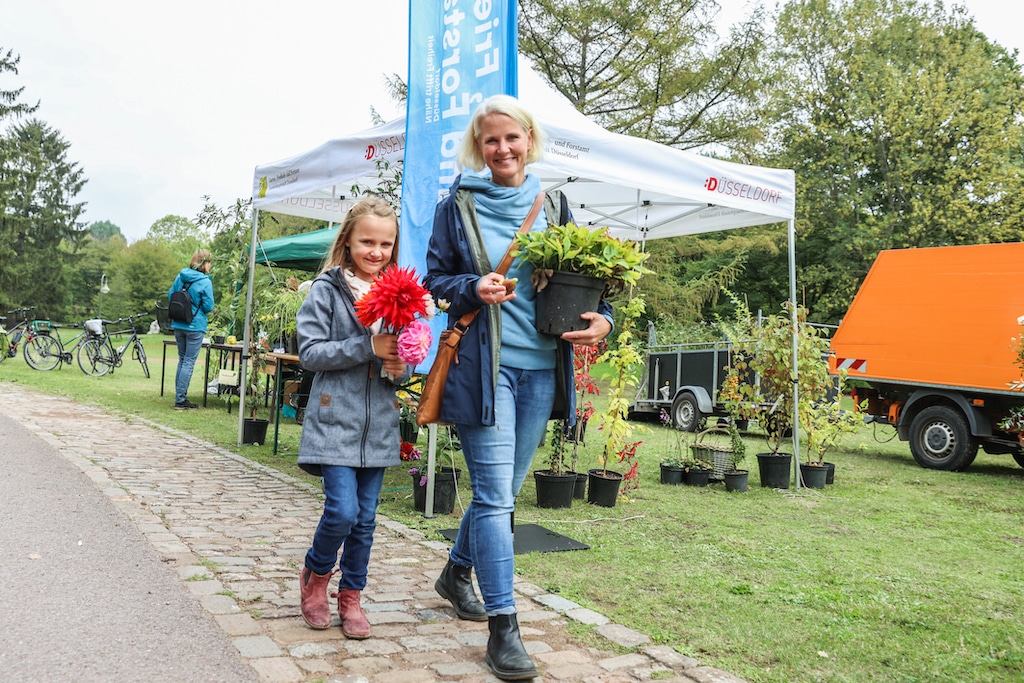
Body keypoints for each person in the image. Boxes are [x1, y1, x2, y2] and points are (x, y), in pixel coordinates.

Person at [424, 95, 613, 680]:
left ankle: (457, 572)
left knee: (501, 489)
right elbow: (436, 278)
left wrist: (605, 318)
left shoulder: (553, 206)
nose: (502, 149)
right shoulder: (456, 206)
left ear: (529, 139)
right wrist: (471, 287)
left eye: (512, 138)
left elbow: (589, 278)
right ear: (478, 148)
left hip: (541, 370)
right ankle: (504, 628)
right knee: (498, 499)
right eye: (490, 141)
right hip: (485, 368)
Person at [295, 197, 411, 639]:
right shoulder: (326, 290)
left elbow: (406, 356)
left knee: (365, 520)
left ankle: (352, 596)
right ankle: (316, 574)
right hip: (334, 420)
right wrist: (368, 347)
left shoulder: (401, 294)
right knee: (342, 512)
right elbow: (310, 353)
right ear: (348, 240)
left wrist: (402, 367)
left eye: (385, 243)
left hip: (378, 423)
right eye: (367, 241)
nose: (376, 252)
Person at [167, 250, 215, 410]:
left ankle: (180, 397)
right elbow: (208, 306)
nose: (210, 266)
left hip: (178, 324)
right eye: (209, 262)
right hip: (195, 326)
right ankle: (180, 400)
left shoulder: (180, 277)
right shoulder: (205, 282)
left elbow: (170, 296)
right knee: (188, 362)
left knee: (182, 360)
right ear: (204, 263)